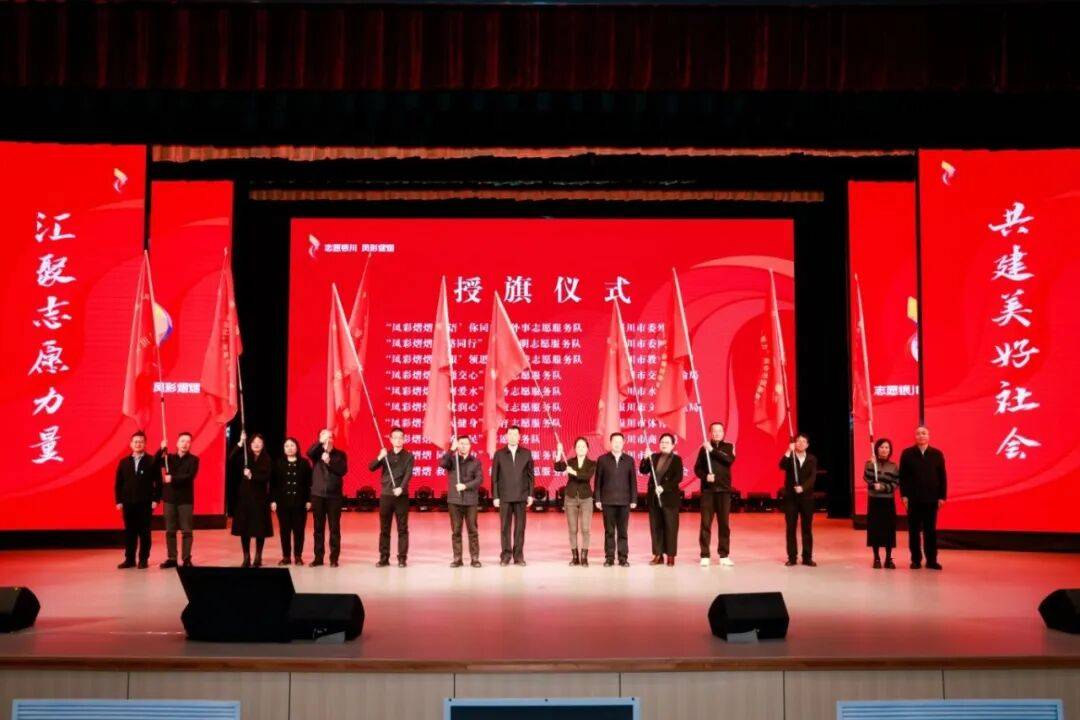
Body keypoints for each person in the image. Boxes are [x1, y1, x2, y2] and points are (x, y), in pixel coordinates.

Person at [899, 425, 947, 571]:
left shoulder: (937, 454)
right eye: (918, 433)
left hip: (931, 499)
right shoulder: (907, 453)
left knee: (930, 531)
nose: (921, 436)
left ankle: (932, 560)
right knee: (914, 531)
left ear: (929, 436)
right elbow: (903, 477)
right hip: (913, 499)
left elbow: (942, 477)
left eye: (924, 433)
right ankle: (916, 560)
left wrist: (942, 496)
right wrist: (904, 495)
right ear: (915, 437)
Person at [114, 430, 160, 569]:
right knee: (130, 532)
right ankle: (129, 559)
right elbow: (118, 483)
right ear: (131, 444)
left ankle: (143, 559)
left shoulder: (152, 460)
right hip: (128, 503)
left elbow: (159, 482)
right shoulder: (124, 462)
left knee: (144, 533)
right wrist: (119, 501)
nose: (138, 444)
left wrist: (156, 500)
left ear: (145, 444)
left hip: (145, 503)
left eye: (141, 441)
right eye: (135, 441)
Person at [491, 425, 535, 566]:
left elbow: (531, 476)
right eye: (510, 434)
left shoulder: (526, 453)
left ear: (519, 437)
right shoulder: (499, 454)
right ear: (506, 436)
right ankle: (505, 556)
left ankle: (518, 556)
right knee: (505, 528)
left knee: (520, 528)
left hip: (521, 496)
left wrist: (530, 494)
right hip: (504, 496)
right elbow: (494, 477)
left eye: (515, 434)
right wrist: (495, 496)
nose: (512, 437)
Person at [154, 432, 199, 569]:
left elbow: (189, 476)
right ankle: (172, 558)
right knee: (170, 531)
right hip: (170, 498)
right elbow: (154, 463)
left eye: (188, 441)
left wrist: (172, 479)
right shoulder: (169, 458)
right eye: (182, 441)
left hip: (185, 499)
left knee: (187, 531)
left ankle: (186, 559)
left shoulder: (194, 460)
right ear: (177, 443)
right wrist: (161, 449)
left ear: (190, 444)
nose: (185, 444)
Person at [370, 427, 414, 568]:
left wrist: (401, 487)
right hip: (386, 496)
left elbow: (408, 474)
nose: (398, 440)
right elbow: (371, 467)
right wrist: (379, 457)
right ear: (390, 440)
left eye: (401, 437)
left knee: (402, 529)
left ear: (404, 439)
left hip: (401, 496)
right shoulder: (386, 454)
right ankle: (384, 558)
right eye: (395, 437)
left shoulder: (409, 456)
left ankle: (402, 558)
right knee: (384, 529)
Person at [695, 421, 736, 567]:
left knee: (724, 524)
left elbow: (728, 460)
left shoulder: (729, 447)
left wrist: (711, 450)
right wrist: (706, 476)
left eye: (719, 431)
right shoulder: (703, 449)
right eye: (714, 431)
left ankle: (724, 555)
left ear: (723, 433)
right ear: (710, 432)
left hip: (724, 491)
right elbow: (697, 469)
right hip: (708, 492)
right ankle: (705, 554)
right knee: (705, 524)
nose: (717, 433)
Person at [229, 432, 273, 567]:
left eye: (259, 442)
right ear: (250, 444)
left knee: (260, 529)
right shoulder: (245, 457)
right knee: (245, 528)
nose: (256, 445)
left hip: (260, 498)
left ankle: (258, 557)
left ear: (263, 445)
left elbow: (266, 477)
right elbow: (231, 458)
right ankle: (246, 556)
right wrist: (239, 443)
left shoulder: (267, 459)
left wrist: (252, 476)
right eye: (254, 442)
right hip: (245, 498)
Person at [594, 432, 637, 567]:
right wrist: (598, 499)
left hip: (624, 501)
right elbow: (598, 481)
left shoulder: (629, 460)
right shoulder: (602, 460)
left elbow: (633, 481)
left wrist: (634, 499)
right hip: (607, 501)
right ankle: (609, 558)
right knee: (609, 531)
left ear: (623, 443)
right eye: (615, 441)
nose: (617, 444)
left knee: (623, 532)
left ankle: (623, 558)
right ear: (610, 443)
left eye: (620, 441)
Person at [439, 436, 484, 568]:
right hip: (454, 501)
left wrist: (465, 486)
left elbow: (479, 480)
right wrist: (451, 450)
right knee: (456, 531)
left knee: (473, 531)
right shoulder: (452, 460)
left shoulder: (476, 462)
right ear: (457, 445)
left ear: (470, 446)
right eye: (461, 443)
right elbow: (442, 464)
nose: (463, 446)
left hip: (470, 501)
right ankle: (457, 558)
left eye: (466, 444)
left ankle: (475, 558)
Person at [641, 433, 684, 566]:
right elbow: (643, 470)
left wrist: (664, 488)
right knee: (656, 527)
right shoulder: (654, 457)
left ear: (673, 445)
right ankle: (658, 555)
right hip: (654, 498)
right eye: (662, 442)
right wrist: (645, 458)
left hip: (669, 499)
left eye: (667, 442)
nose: (664, 444)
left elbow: (678, 478)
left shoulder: (677, 459)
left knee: (671, 527)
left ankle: (670, 555)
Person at [553, 436, 596, 566]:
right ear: (575, 449)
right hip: (570, 497)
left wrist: (574, 472)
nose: (581, 448)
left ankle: (584, 557)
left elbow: (586, 477)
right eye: (578, 446)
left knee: (585, 529)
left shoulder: (592, 463)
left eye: (583, 446)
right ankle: (575, 557)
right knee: (572, 529)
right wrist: (559, 453)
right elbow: (558, 467)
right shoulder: (570, 461)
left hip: (586, 498)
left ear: (587, 449)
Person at [308, 428, 348, 567]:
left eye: (330, 436)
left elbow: (343, 470)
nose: (327, 439)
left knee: (334, 528)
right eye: (324, 436)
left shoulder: (340, 454)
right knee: (318, 528)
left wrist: (329, 461)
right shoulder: (316, 453)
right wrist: (320, 443)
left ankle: (334, 558)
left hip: (334, 496)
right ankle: (318, 558)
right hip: (318, 495)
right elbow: (309, 453)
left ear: (333, 439)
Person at [271, 437, 312, 566]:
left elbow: (309, 483)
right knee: (284, 531)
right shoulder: (278, 463)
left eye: (292, 445)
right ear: (284, 449)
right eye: (287, 446)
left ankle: (298, 556)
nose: (289, 448)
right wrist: (273, 500)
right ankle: (286, 556)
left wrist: (309, 500)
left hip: (300, 503)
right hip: (282, 503)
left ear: (297, 447)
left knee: (299, 530)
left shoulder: (304, 463)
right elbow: (273, 484)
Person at [779, 433, 817, 567]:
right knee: (791, 528)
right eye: (798, 441)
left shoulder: (812, 459)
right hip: (791, 498)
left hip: (807, 498)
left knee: (807, 528)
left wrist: (803, 488)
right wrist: (788, 451)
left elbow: (812, 477)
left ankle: (807, 557)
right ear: (794, 443)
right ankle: (792, 557)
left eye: (803, 441)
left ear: (807, 445)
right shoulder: (790, 457)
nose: (800, 443)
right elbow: (781, 466)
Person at [865, 438, 899, 569]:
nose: (884, 450)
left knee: (888, 530)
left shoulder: (894, 466)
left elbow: (895, 484)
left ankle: (888, 558)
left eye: (887, 447)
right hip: (874, 500)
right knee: (875, 529)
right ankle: (876, 558)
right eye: (882, 447)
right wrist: (870, 465)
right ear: (877, 449)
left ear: (890, 450)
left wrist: (883, 487)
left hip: (888, 501)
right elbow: (867, 479)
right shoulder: (870, 463)